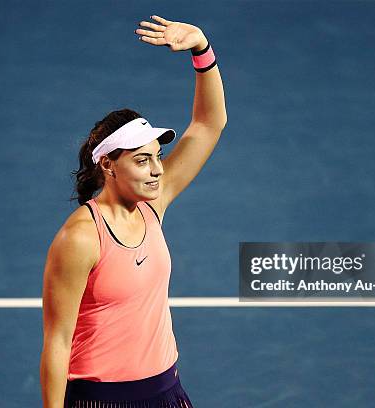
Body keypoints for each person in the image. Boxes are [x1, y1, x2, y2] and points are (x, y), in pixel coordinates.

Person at [40, 14, 227, 408]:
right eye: (142, 160)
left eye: (158, 157)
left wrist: (201, 49)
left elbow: (209, 124)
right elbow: (57, 344)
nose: (158, 169)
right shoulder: (80, 238)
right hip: (101, 400)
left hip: (167, 392)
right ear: (108, 165)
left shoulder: (151, 206)